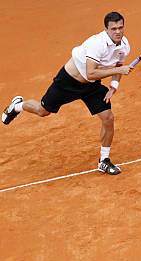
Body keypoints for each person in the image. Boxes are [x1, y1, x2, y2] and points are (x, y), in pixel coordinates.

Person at [2, 11, 132, 175]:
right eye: (113, 29)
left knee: (108, 118)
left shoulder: (124, 45)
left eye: (121, 27)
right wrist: (120, 69)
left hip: (91, 86)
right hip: (68, 82)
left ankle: (104, 161)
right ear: (106, 29)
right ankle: (17, 106)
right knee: (43, 111)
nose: (118, 32)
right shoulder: (96, 43)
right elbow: (91, 72)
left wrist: (114, 85)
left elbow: (118, 64)